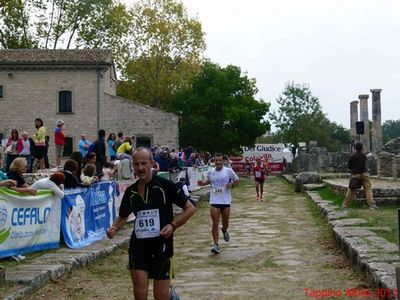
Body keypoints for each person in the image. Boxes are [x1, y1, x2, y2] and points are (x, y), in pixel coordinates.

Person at [106, 147, 195, 299]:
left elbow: (190, 208)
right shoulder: (131, 192)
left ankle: (170, 295)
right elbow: (123, 217)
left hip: (162, 247)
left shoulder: (165, 186)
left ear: (152, 163)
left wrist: (173, 225)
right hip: (138, 249)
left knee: (160, 297)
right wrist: (114, 228)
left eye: (144, 163)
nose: (140, 168)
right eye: (136, 164)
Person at [198, 153, 239, 254]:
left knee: (225, 222)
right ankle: (216, 244)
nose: (218, 162)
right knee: (215, 223)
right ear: (214, 161)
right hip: (214, 201)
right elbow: (209, 181)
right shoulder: (211, 172)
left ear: (223, 161)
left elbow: (237, 181)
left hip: (225, 201)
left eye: (220, 160)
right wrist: (203, 183)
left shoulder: (228, 171)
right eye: (216, 160)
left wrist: (232, 185)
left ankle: (224, 230)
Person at [341, 142, 378, 211]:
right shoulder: (364, 156)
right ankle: (372, 205)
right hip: (364, 174)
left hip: (355, 174)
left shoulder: (352, 156)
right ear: (361, 148)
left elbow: (349, 166)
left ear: (355, 148)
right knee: (368, 189)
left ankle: (345, 205)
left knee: (351, 190)